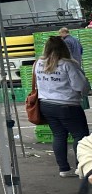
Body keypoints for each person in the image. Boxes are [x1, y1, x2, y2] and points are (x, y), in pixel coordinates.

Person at [35, 35, 91, 176]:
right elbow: (80, 86)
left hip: (46, 104)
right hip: (68, 105)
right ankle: (81, 168)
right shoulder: (68, 64)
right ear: (64, 48)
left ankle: (64, 169)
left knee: (59, 135)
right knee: (80, 136)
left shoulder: (39, 63)